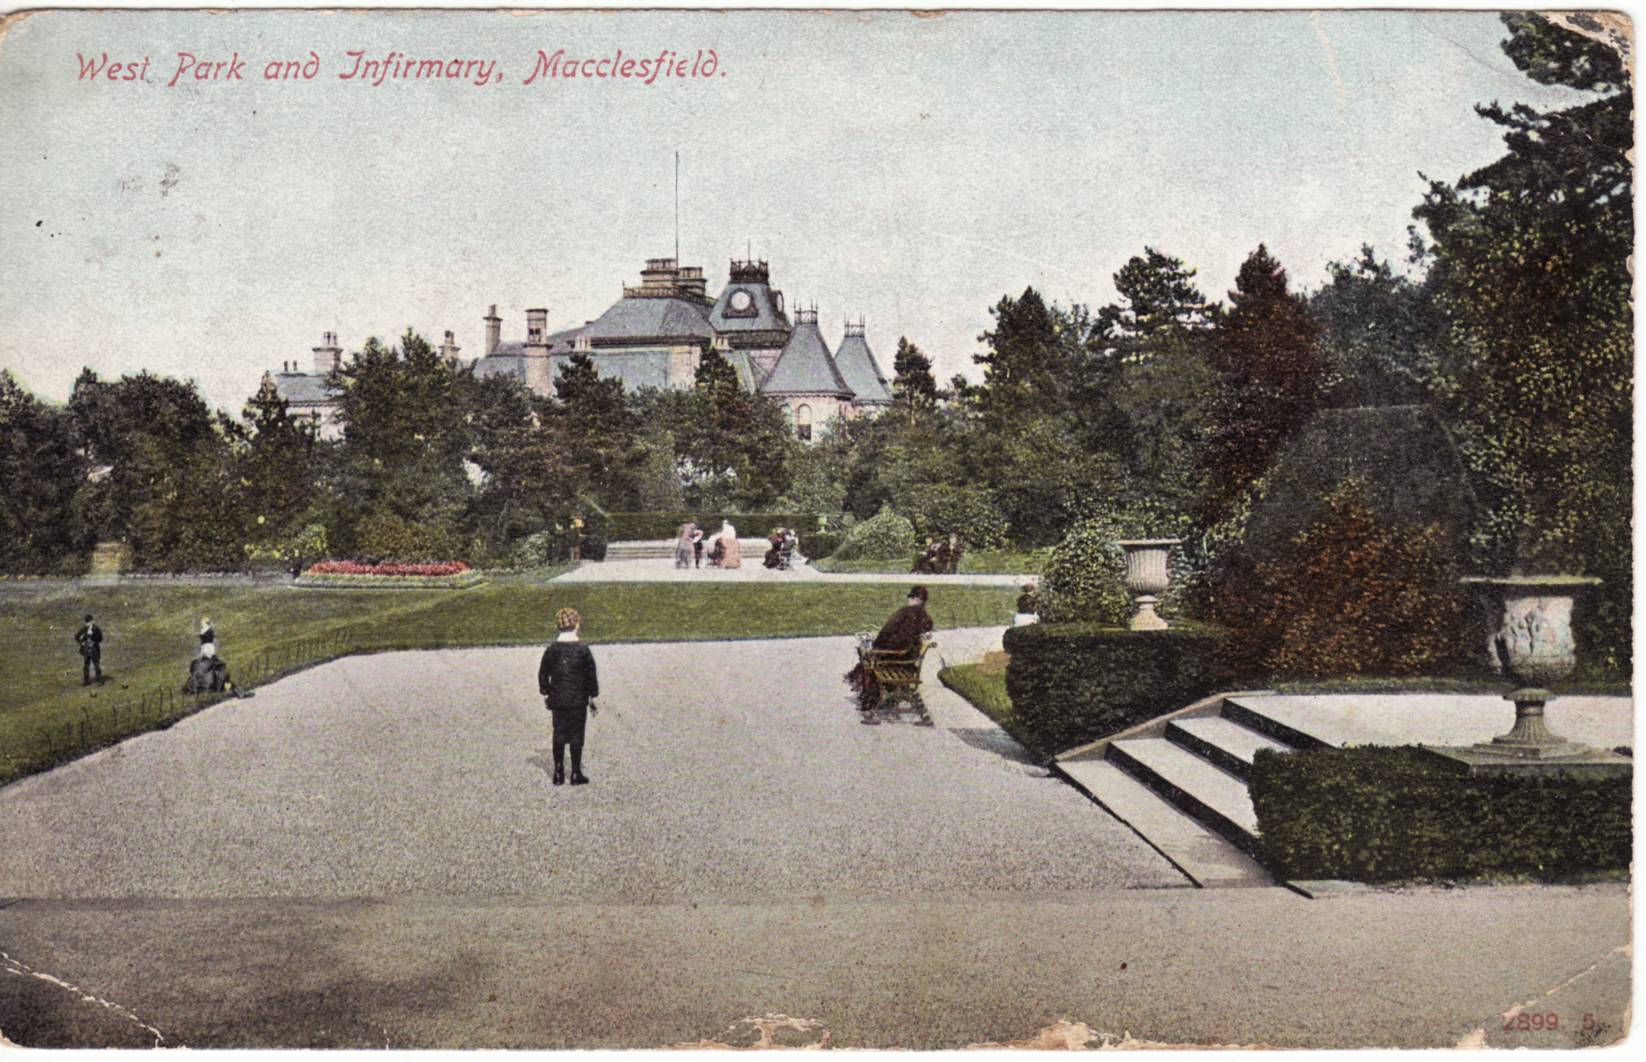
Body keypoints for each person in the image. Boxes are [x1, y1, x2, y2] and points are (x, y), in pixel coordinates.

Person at [845, 586, 935, 713]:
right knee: (870, 656)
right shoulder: (926, 617)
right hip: (908, 660)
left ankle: (869, 700)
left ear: (915, 599)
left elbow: (887, 632)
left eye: (911, 598)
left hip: (895, 659)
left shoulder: (904, 612)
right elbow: (923, 631)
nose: (909, 600)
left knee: (867, 658)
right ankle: (869, 689)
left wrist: (876, 646)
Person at [538, 607, 599, 786]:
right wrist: (592, 695)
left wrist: (546, 691)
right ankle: (575, 772)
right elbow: (590, 675)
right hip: (578, 698)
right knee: (576, 734)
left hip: (558, 697)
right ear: (577, 624)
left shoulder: (552, 649)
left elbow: (543, 672)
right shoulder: (583, 650)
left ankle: (558, 773)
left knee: (558, 732)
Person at [76, 613, 103, 686]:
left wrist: (93, 637)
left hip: (94, 649)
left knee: (96, 665)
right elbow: (77, 636)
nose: (88, 624)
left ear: (92, 621)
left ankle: (99, 680)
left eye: (89, 622)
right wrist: (82, 643)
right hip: (86, 650)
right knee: (86, 665)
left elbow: (100, 638)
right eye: (87, 622)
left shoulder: (96, 629)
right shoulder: (84, 629)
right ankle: (86, 680)